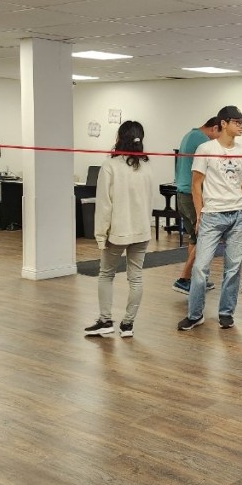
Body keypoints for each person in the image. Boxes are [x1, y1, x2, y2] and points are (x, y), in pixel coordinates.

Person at [177, 106, 242, 331]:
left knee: (233, 268)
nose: (241, 126)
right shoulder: (205, 148)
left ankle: (226, 313)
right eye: (237, 122)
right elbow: (196, 184)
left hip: (239, 214)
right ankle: (195, 314)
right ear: (224, 124)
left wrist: (240, 202)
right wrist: (200, 213)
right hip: (212, 215)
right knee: (200, 268)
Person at [85, 121, 154, 338]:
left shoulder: (110, 165)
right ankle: (128, 325)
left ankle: (105, 321)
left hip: (118, 232)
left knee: (106, 274)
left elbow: (104, 204)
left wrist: (100, 234)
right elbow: (149, 201)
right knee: (136, 278)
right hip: (142, 230)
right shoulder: (147, 166)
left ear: (119, 137)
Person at [172, 117, 220, 295]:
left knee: (194, 238)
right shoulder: (202, 140)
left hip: (182, 194)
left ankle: (195, 280)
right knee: (204, 238)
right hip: (192, 195)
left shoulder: (189, 135)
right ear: (215, 128)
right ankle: (184, 278)